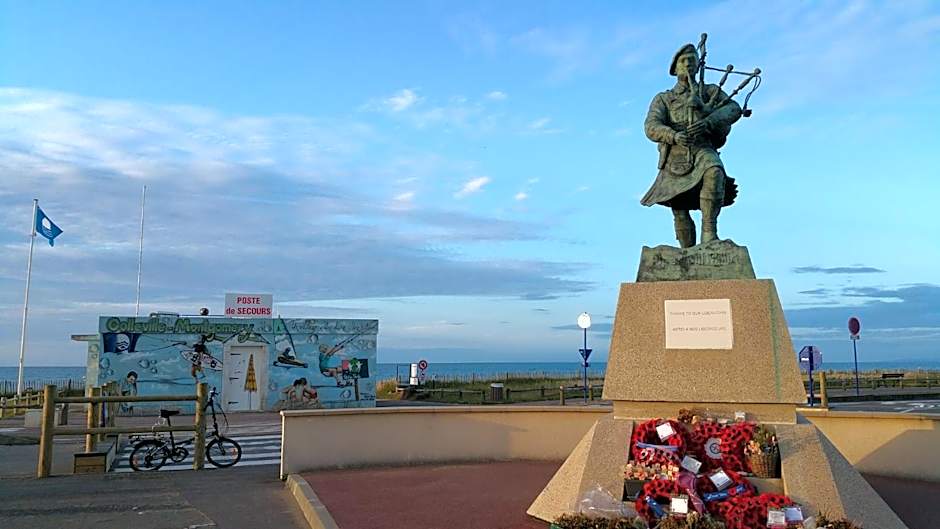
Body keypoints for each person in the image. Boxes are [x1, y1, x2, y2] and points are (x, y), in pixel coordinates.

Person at [641, 42, 742, 248]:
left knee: (714, 171)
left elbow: (734, 109)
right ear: (675, 68)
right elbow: (651, 126)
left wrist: (710, 121)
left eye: (692, 60)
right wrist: (673, 135)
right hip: (675, 157)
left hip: (703, 149)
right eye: (683, 61)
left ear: (698, 65)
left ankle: (709, 235)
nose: (688, 64)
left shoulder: (710, 92)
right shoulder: (664, 99)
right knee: (678, 204)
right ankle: (686, 252)